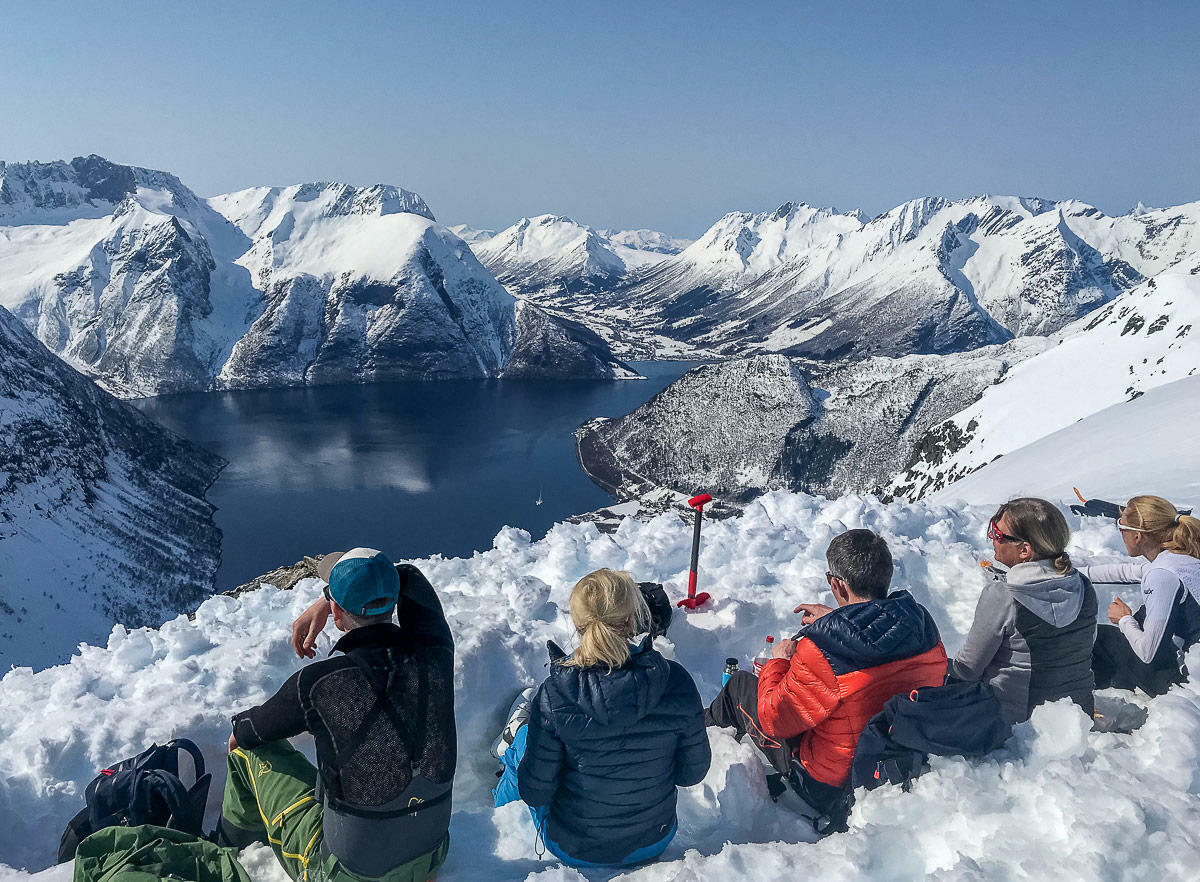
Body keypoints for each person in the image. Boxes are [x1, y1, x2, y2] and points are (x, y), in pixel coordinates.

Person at [218, 548, 456, 882]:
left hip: (350, 873)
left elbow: (249, 730)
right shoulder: (437, 650)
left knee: (246, 753)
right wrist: (339, 596)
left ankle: (227, 849)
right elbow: (410, 576)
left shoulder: (319, 684)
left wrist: (332, 599)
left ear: (338, 614)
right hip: (429, 854)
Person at [705, 529, 947, 815]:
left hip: (829, 783)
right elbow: (878, 647)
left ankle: (699, 736)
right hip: (894, 759)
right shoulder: (921, 625)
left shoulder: (825, 651)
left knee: (740, 686)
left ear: (838, 585)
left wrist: (779, 662)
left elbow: (774, 719)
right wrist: (837, 619)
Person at [491, 568, 710, 868]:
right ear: (633, 619)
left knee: (525, 743)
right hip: (654, 840)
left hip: (573, 846)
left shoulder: (555, 695)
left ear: (579, 625)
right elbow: (691, 774)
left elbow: (536, 791)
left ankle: (497, 808)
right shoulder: (677, 683)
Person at [949, 498, 1097, 725]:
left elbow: (968, 669)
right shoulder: (1083, 586)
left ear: (1025, 550)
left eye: (998, 535)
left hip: (1018, 723)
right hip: (1077, 716)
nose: (992, 539)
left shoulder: (1004, 594)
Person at [1084, 495, 1200, 696]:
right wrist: (1068, 573)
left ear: (1137, 536)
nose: (1120, 532)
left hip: (1175, 677)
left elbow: (1148, 652)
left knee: (1090, 637)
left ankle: (1085, 708)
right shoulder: (1181, 557)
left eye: (1121, 528)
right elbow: (1125, 572)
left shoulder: (1162, 576)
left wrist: (1124, 619)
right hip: (1183, 659)